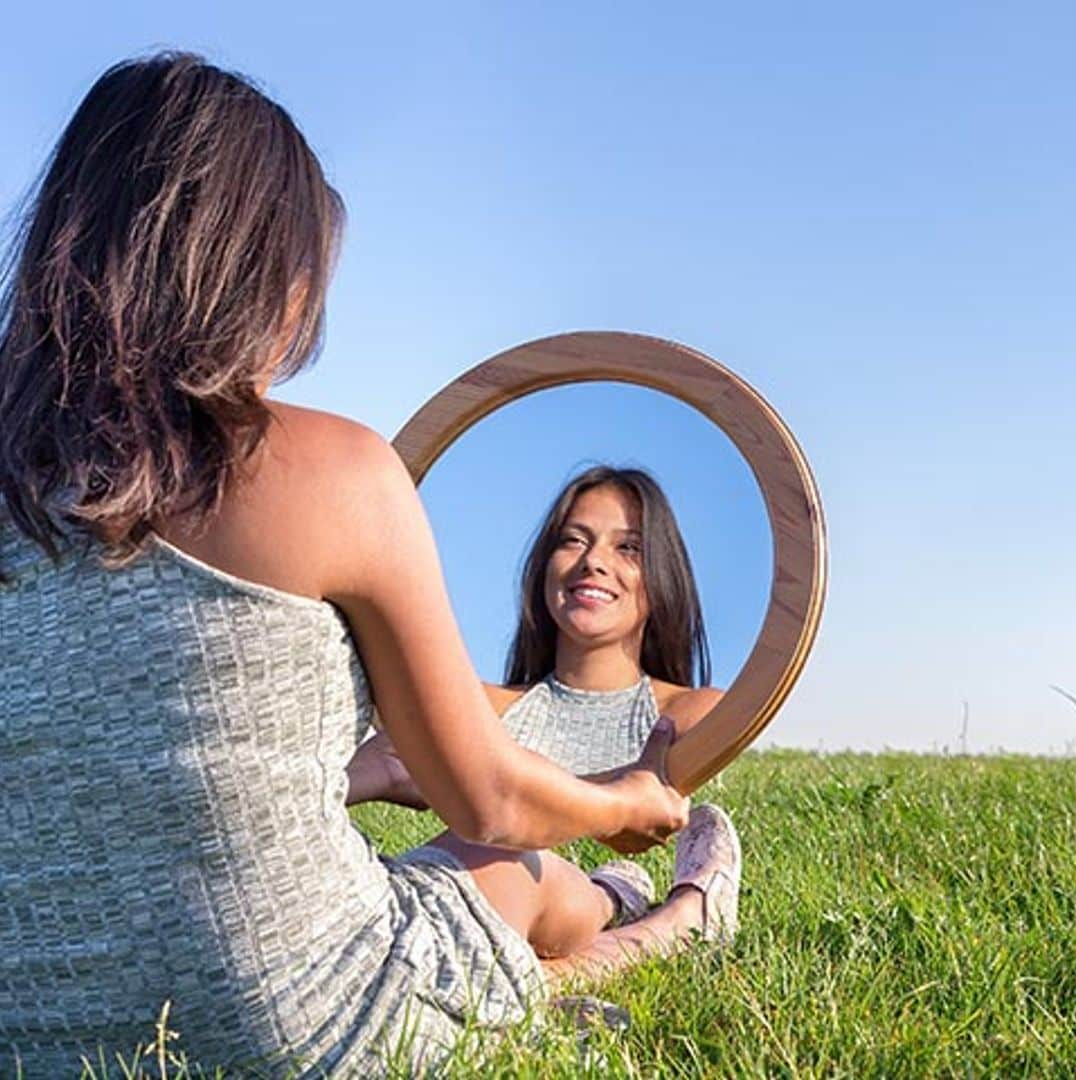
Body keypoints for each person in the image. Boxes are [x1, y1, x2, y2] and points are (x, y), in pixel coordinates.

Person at [0, 54, 740, 1077]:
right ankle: (670, 924)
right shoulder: (333, 468)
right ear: (268, 280)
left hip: (27, 1035)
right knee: (501, 868)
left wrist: (353, 771)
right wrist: (627, 806)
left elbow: (99, 760)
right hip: (295, 1029)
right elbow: (488, 797)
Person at [349, 466, 732, 932]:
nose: (593, 561)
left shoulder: (695, 714)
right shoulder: (480, 706)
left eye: (628, 547)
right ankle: (647, 913)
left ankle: (627, 904)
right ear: (544, 565)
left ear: (661, 575)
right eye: (573, 540)